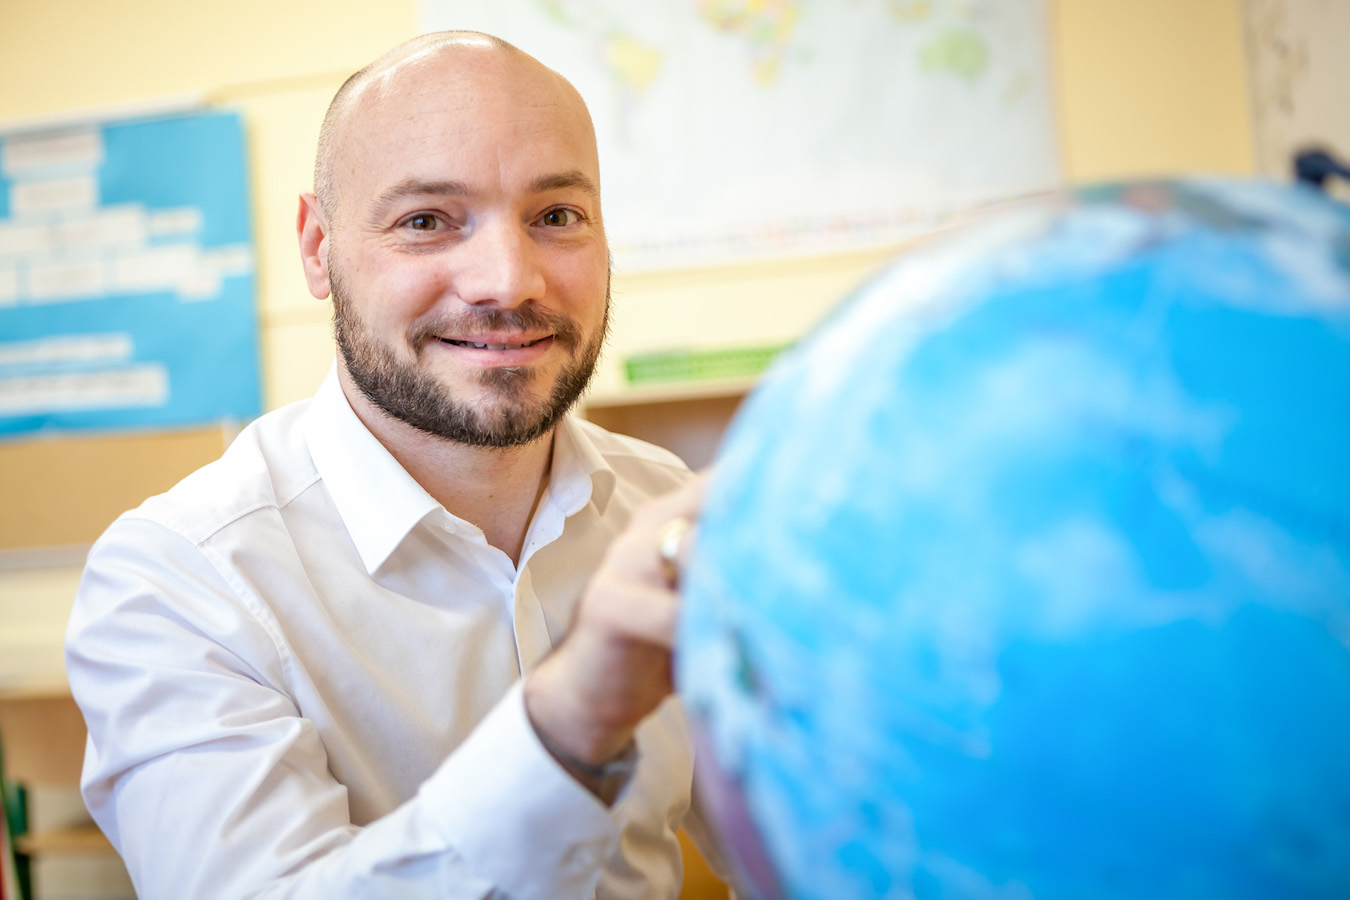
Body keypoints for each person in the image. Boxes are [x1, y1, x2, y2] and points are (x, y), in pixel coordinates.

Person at [66, 31, 726, 900]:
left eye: (555, 216)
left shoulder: (666, 507)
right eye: (426, 222)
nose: (507, 281)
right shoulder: (176, 581)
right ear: (318, 249)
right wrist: (570, 726)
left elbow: (808, 831)